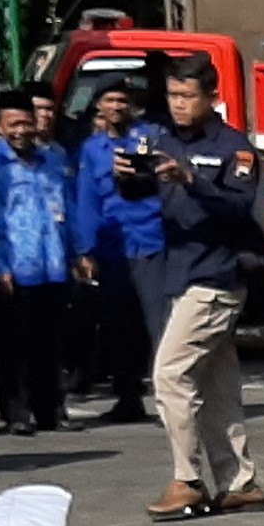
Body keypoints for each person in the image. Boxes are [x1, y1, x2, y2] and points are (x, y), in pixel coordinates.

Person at [122, 54, 264, 521]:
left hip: (218, 277)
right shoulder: (162, 140)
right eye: (173, 95)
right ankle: (239, 481)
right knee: (216, 385)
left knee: (170, 373)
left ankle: (186, 479)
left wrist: (191, 179)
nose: (179, 104)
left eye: (188, 95)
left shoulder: (233, 147)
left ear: (211, 97)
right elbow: (141, 192)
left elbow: (238, 207)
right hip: (181, 273)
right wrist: (128, 176)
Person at [0, 85, 74, 437]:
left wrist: (75, 253)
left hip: (52, 265)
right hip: (15, 266)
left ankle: (50, 410)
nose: (21, 131)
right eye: (13, 124)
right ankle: (16, 412)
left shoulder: (52, 161)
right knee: (13, 347)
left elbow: (66, 208)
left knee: (49, 344)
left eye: (26, 123)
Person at [71, 75, 159, 423]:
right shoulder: (92, 150)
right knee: (119, 326)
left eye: (122, 100)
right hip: (113, 247)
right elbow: (87, 200)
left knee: (157, 323)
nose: (117, 107)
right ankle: (128, 397)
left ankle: (170, 398)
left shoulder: (150, 138)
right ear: (98, 106)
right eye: (110, 100)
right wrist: (85, 249)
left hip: (151, 240)